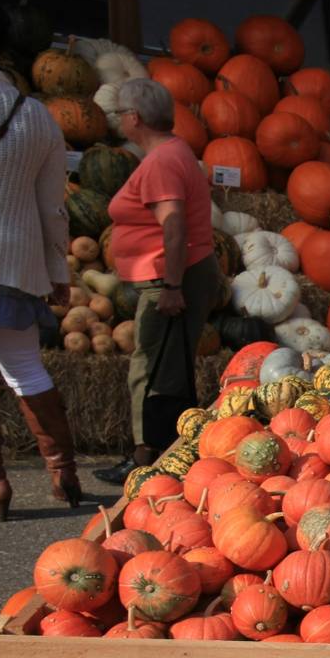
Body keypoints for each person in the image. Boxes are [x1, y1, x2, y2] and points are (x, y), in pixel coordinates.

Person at [0, 0, 81, 518]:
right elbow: (53, 208)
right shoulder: (36, 115)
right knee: (25, 368)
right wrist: (57, 271)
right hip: (17, 265)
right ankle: (63, 473)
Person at [93, 77, 218, 486]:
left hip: (169, 275)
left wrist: (172, 286)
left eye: (119, 115)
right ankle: (165, 452)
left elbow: (174, 226)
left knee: (149, 369)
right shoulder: (175, 152)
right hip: (176, 272)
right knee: (167, 370)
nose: (118, 122)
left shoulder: (162, 161)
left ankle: (144, 458)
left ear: (135, 118)